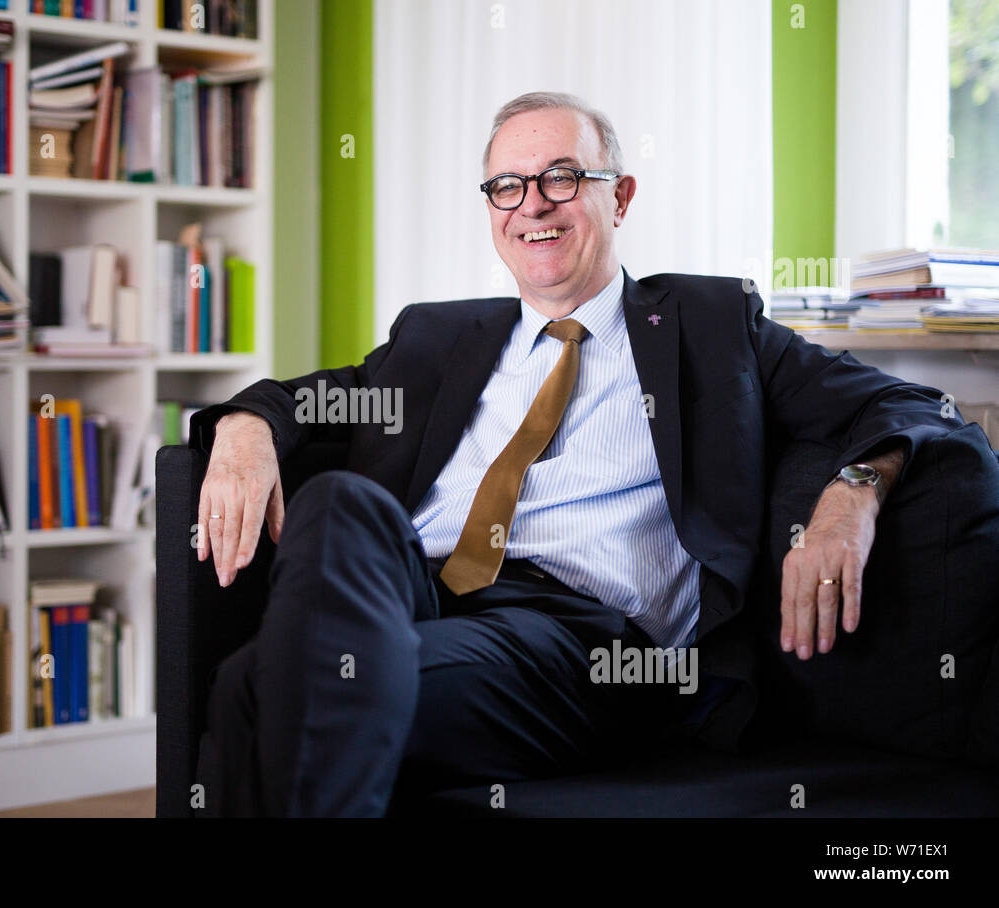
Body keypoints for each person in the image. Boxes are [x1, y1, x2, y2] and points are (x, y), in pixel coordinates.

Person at [187, 91, 959, 817]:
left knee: (252, 684)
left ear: (619, 197)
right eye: (507, 185)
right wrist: (246, 428)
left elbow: (907, 403)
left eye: (560, 177)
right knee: (335, 502)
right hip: (412, 595)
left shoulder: (714, 323)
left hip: (580, 643)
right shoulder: (437, 336)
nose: (533, 205)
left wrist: (850, 495)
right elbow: (310, 398)